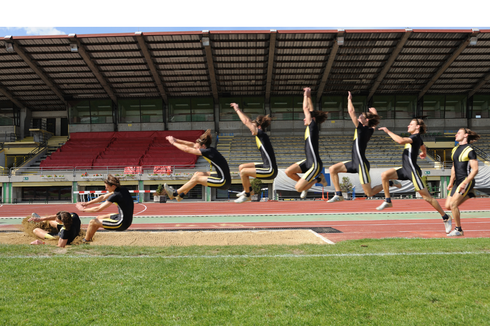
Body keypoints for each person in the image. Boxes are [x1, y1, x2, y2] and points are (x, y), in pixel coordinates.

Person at [328, 91, 400, 203]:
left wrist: (349, 99)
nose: (358, 116)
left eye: (361, 115)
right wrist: (374, 112)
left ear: (366, 120)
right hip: (354, 162)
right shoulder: (369, 129)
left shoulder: (362, 129)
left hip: (361, 164)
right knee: (332, 169)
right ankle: (338, 194)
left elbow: (351, 111)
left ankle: (390, 183)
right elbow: (374, 123)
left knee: (369, 193)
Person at [376, 119, 451, 226]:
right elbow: (422, 145)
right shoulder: (417, 139)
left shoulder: (414, 137)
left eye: (411, 124)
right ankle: (388, 200)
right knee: (385, 175)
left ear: (417, 127)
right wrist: (424, 153)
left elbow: (400, 141)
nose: (408, 126)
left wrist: (388, 131)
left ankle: (445, 217)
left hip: (413, 172)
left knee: (427, 198)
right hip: (404, 169)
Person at [285, 87, 328, 198]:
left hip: (314, 165)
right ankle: (306, 185)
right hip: (308, 161)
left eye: (306, 117)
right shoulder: (312, 126)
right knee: (288, 171)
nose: (304, 119)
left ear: (311, 118)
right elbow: (310, 110)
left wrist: (304, 95)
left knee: (298, 188)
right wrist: (309, 96)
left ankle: (318, 179)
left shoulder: (312, 125)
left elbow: (305, 108)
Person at [164, 129, 231, 201]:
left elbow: (186, 149)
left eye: (198, 148)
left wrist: (173, 143)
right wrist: (176, 140)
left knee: (197, 179)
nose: (196, 149)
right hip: (221, 176)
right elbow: (192, 144)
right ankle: (181, 195)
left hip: (223, 181)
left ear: (203, 146)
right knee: (197, 174)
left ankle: (174, 193)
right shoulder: (208, 149)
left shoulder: (207, 151)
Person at [230, 103, 277, 203]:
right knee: (241, 167)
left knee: (243, 172)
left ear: (259, 127)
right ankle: (249, 190)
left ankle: (247, 195)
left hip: (270, 170)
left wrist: (237, 109)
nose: (250, 130)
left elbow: (246, 121)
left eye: (253, 128)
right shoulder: (260, 134)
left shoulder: (261, 134)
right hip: (266, 165)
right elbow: (250, 121)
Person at [76, 174, 134, 243]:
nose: (106, 188)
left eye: (107, 187)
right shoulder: (122, 189)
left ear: (113, 186)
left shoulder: (115, 195)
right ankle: (89, 238)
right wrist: (87, 203)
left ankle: (85, 241)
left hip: (121, 223)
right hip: (126, 219)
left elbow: (98, 209)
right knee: (98, 218)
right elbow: (103, 197)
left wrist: (83, 210)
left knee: (92, 222)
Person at [445, 128, 480, 236]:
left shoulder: (470, 151)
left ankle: (458, 229)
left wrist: (465, 183)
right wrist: (451, 182)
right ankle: (470, 194)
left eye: (459, 133)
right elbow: (454, 167)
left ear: (466, 135)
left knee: (453, 204)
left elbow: (475, 169)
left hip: (466, 181)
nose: (456, 134)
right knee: (447, 206)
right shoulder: (455, 149)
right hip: (457, 181)